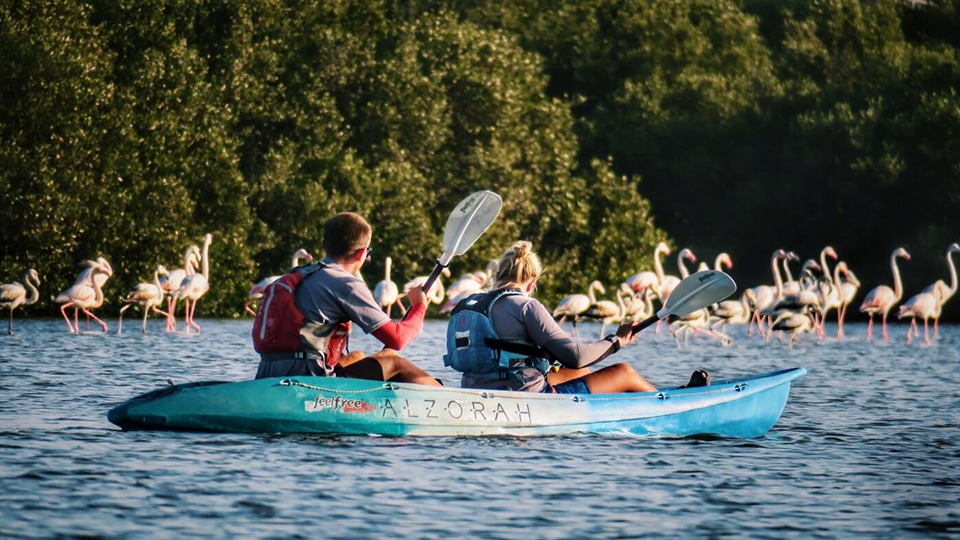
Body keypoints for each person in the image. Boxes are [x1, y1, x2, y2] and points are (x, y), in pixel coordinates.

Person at [446, 241, 708, 394]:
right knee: (623, 372)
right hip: (522, 396)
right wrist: (616, 341)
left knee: (580, 373)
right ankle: (669, 403)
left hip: (476, 389)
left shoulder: (473, 303)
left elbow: (575, 364)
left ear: (500, 275)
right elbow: (576, 354)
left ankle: (660, 395)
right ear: (533, 280)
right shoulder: (526, 307)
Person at [255, 212, 441, 386]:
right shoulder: (345, 282)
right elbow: (398, 339)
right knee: (393, 359)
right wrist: (419, 307)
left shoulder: (301, 274)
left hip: (268, 373)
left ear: (324, 246)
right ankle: (447, 400)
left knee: (358, 355)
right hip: (309, 379)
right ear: (361, 254)